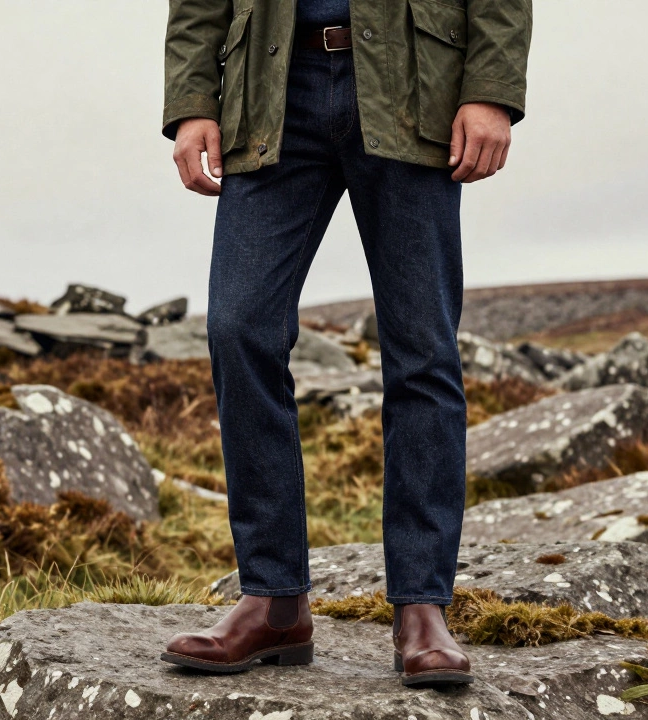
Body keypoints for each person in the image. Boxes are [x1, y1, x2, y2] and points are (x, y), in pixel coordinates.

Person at [158, 0, 532, 687]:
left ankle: (422, 608)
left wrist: (491, 90)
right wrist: (190, 100)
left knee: (422, 351)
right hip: (271, 88)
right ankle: (273, 599)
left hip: (410, 82)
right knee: (238, 327)